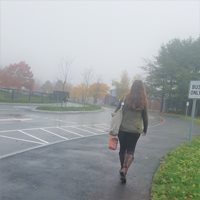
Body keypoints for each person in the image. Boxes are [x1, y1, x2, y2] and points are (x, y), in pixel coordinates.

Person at [114, 80, 148, 184]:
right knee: (131, 151)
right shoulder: (143, 101)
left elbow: (116, 111)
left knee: (122, 150)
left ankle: (122, 168)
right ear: (142, 89)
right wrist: (145, 129)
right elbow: (145, 117)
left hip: (123, 129)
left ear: (132, 87)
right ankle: (125, 169)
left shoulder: (125, 98)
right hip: (135, 130)